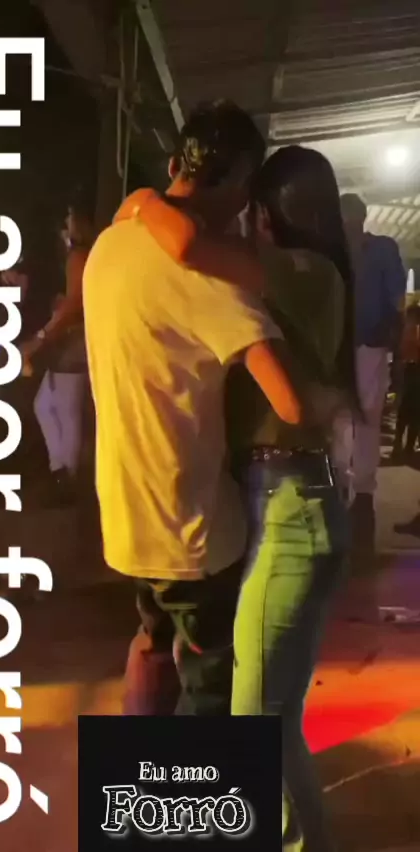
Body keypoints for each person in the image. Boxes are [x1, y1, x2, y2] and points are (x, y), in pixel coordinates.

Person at [115, 145, 354, 852]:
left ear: (270, 213)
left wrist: (146, 201)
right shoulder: (306, 273)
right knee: (262, 714)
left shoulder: (302, 272)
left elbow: (188, 246)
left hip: (292, 508)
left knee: (261, 722)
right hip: (275, 499)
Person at [83, 100, 309, 718]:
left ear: (175, 165)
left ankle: (135, 778)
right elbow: (291, 404)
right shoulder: (208, 276)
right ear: (238, 182)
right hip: (190, 526)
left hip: (126, 510)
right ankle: (185, 784)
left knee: (153, 644)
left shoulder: (109, 244)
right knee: (208, 679)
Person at [332, 194, 406, 520]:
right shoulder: (334, 253)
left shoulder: (381, 249)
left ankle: (360, 494)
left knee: (361, 420)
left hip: (367, 346)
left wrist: (394, 344)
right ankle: (345, 490)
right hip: (339, 347)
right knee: (343, 420)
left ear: (361, 218)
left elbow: (398, 304)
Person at [22, 201, 93, 501]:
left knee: (64, 406)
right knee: (48, 404)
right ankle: (60, 471)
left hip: (74, 342)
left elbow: (75, 303)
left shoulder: (78, 255)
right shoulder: (78, 255)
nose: (66, 226)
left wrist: (43, 335)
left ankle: (67, 478)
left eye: (70, 219)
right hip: (70, 341)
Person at [392, 301, 420, 458]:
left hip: (409, 371)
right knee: (413, 412)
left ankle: (400, 445)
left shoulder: (408, 330)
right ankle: (407, 447)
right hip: (413, 371)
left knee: (406, 411)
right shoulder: (412, 330)